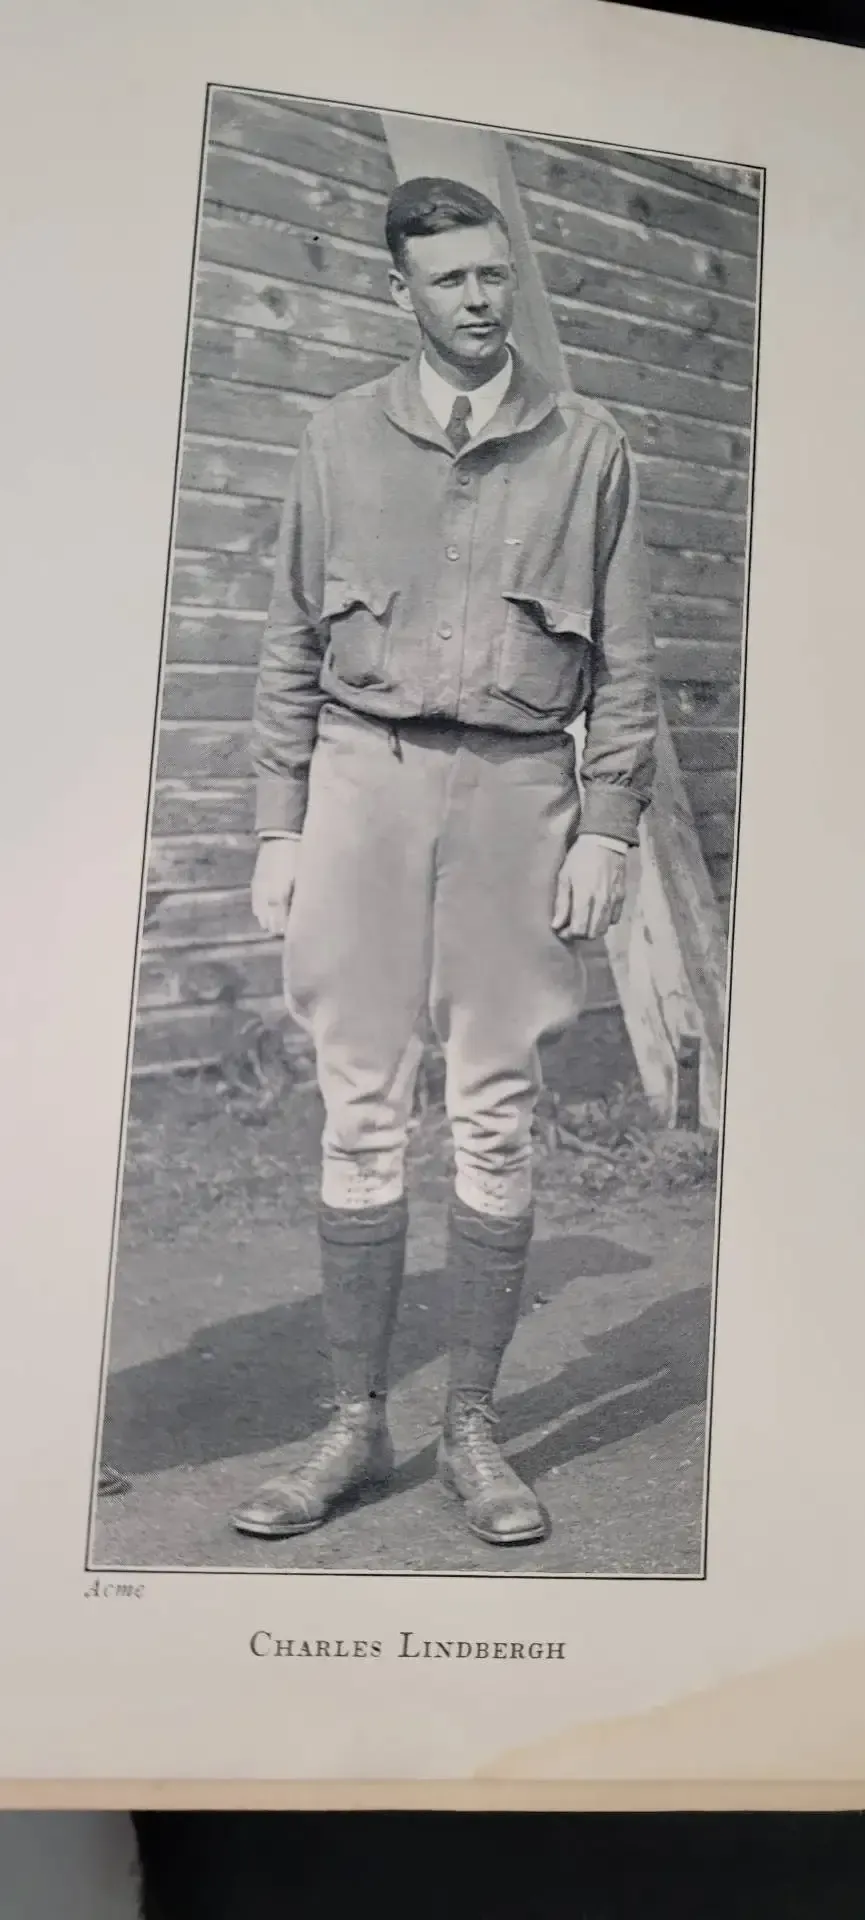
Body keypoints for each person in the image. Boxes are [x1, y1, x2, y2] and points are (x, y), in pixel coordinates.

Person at [231, 176, 657, 1548]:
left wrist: (607, 825)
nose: (478, 300)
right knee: (359, 1106)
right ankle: (354, 1425)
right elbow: (290, 637)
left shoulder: (586, 447)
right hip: (362, 781)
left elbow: (629, 662)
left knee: (494, 1110)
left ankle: (472, 1426)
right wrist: (280, 822)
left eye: (492, 274)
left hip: (521, 792)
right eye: (450, 279)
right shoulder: (339, 437)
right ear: (400, 291)